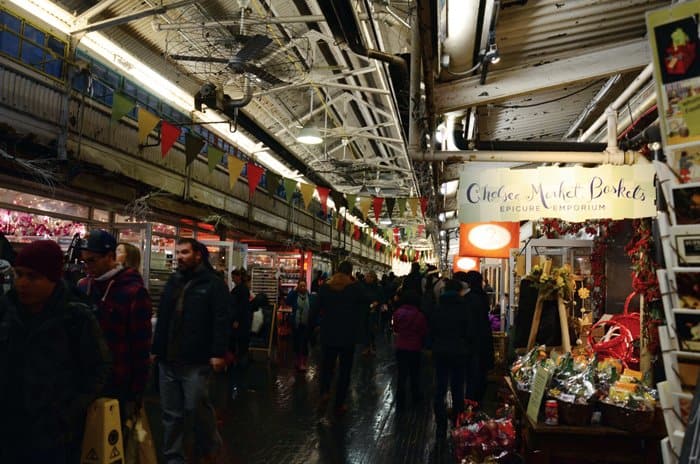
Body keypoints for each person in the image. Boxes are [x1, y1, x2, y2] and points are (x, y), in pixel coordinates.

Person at [0, 240, 111, 463]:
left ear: (52, 279)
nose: (22, 283)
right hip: (8, 429)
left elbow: (99, 369)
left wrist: (66, 414)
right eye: (18, 274)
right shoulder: (6, 310)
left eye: (32, 277)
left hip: (54, 438)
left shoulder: (76, 317)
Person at [151, 238, 230, 464]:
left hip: (196, 359)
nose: (179, 257)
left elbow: (221, 320)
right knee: (171, 414)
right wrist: (156, 349)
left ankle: (210, 445)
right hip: (169, 359)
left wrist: (218, 352)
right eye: (178, 252)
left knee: (195, 407)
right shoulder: (173, 282)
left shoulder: (213, 285)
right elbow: (164, 316)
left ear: (198, 255)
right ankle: (174, 457)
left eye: (184, 252)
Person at [77, 230, 153, 435]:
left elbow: (140, 344)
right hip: (83, 381)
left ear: (110, 258)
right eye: (84, 262)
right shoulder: (83, 286)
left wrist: (136, 392)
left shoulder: (133, 291)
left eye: (92, 261)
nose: (88, 266)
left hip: (117, 383)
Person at [317, 260, 366, 417]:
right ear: (350, 272)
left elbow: (316, 309)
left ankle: (325, 391)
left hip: (328, 334)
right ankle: (339, 403)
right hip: (347, 336)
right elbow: (364, 305)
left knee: (327, 366)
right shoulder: (355, 289)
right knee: (345, 371)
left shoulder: (325, 287)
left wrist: (313, 327)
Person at [430, 278, 470, 446]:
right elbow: (469, 331)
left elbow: (431, 331)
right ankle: (457, 423)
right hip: (459, 352)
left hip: (440, 352)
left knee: (440, 387)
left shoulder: (438, 308)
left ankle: (440, 426)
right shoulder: (464, 308)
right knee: (457, 387)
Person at [460, 271, 495, 404]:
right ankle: (478, 400)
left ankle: (470, 402)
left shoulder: (468, 298)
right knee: (481, 372)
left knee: (471, 374)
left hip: (472, 341)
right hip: (484, 338)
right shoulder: (483, 296)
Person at [392, 288, 428, 409]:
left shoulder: (397, 312)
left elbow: (395, 329)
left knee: (402, 374)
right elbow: (423, 331)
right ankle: (415, 396)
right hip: (415, 347)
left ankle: (400, 398)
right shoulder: (419, 315)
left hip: (400, 346)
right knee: (414, 373)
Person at [286, 279, 317, 371]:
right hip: (296, 324)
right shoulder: (294, 296)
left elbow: (313, 309)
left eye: (304, 285)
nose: (303, 287)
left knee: (304, 344)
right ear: (298, 286)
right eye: (301, 286)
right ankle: (297, 361)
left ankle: (303, 363)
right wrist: (294, 290)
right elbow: (288, 301)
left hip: (306, 324)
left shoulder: (310, 297)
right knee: (296, 343)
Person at [229, 268, 251, 398]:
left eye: (233, 277)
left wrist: (236, 319)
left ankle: (238, 363)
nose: (232, 279)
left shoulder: (239, 290)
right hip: (244, 323)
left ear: (238, 277)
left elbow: (239, 307)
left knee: (239, 343)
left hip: (240, 323)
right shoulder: (243, 289)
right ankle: (241, 362)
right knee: (242, 344)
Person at [361, 270, 384, 355]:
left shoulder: (378, 287)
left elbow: (381, 298)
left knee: (372, 329)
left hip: (374, 311)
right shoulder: (363, 286)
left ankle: (372, 346)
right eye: (366, 276)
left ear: (372, 278)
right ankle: (366, 347)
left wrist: (377, 303)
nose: (365, 278)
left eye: (367, 277)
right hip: (365, 310)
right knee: (365, 329)